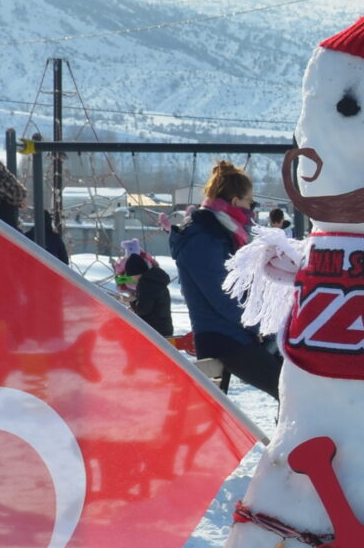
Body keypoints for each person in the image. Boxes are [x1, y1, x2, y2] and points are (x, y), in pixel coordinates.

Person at [171, 162, 280, 397]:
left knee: (291, 381)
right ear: (235, 201)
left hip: (233, 332)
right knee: (288, 390)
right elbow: (222, 294)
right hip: (223, 336)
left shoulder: (219, 232)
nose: (252, 211)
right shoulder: (203, 236)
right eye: (251, 203)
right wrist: (258, 323)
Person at [114, 238, 174, 338]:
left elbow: (143, 310)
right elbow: (151, 302)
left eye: (131, 275)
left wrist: (133, 304)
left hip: (153, 330)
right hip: (164, 328)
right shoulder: (156, 280)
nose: (132, 278)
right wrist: (135, 301)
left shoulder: (145, 284)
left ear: (136, 272)